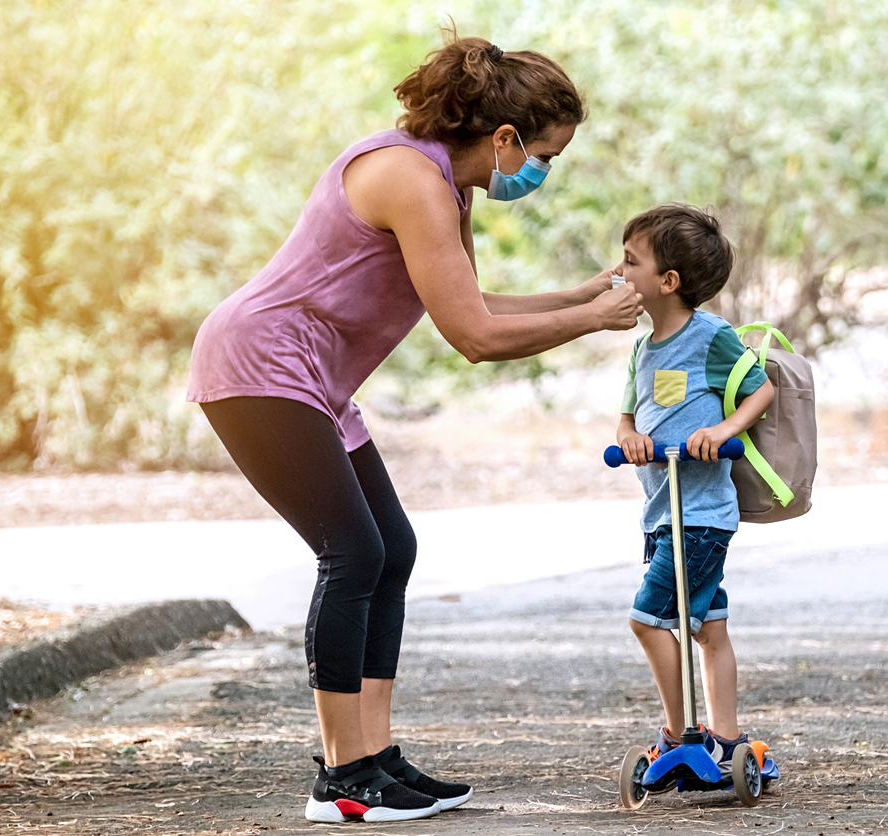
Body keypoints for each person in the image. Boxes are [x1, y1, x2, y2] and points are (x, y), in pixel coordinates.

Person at [186, 35, 643, 823]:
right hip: (260, 366)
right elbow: (473, 341)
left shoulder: (448, 185)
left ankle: (373, 755)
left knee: (392, 549)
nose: (543, 170)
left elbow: (475, 302)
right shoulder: (409, 179)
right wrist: (589, 322)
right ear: (504, 139)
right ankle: (340, 779)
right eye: (546, 154)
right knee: (353, 551)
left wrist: (581, 297)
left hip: (316, 381)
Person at [612, 204, 775, 779]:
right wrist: (630, 438)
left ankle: (680, 733)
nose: (619, 270)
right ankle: (728, 740)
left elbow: (762, 390)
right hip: (662, 513)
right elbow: (628, 420)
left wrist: (723, 431)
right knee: (709, 628)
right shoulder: (641, 348)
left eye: (630, 261)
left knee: (646, 619)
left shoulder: (710, 336)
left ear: (667, 282)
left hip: (702, 513)